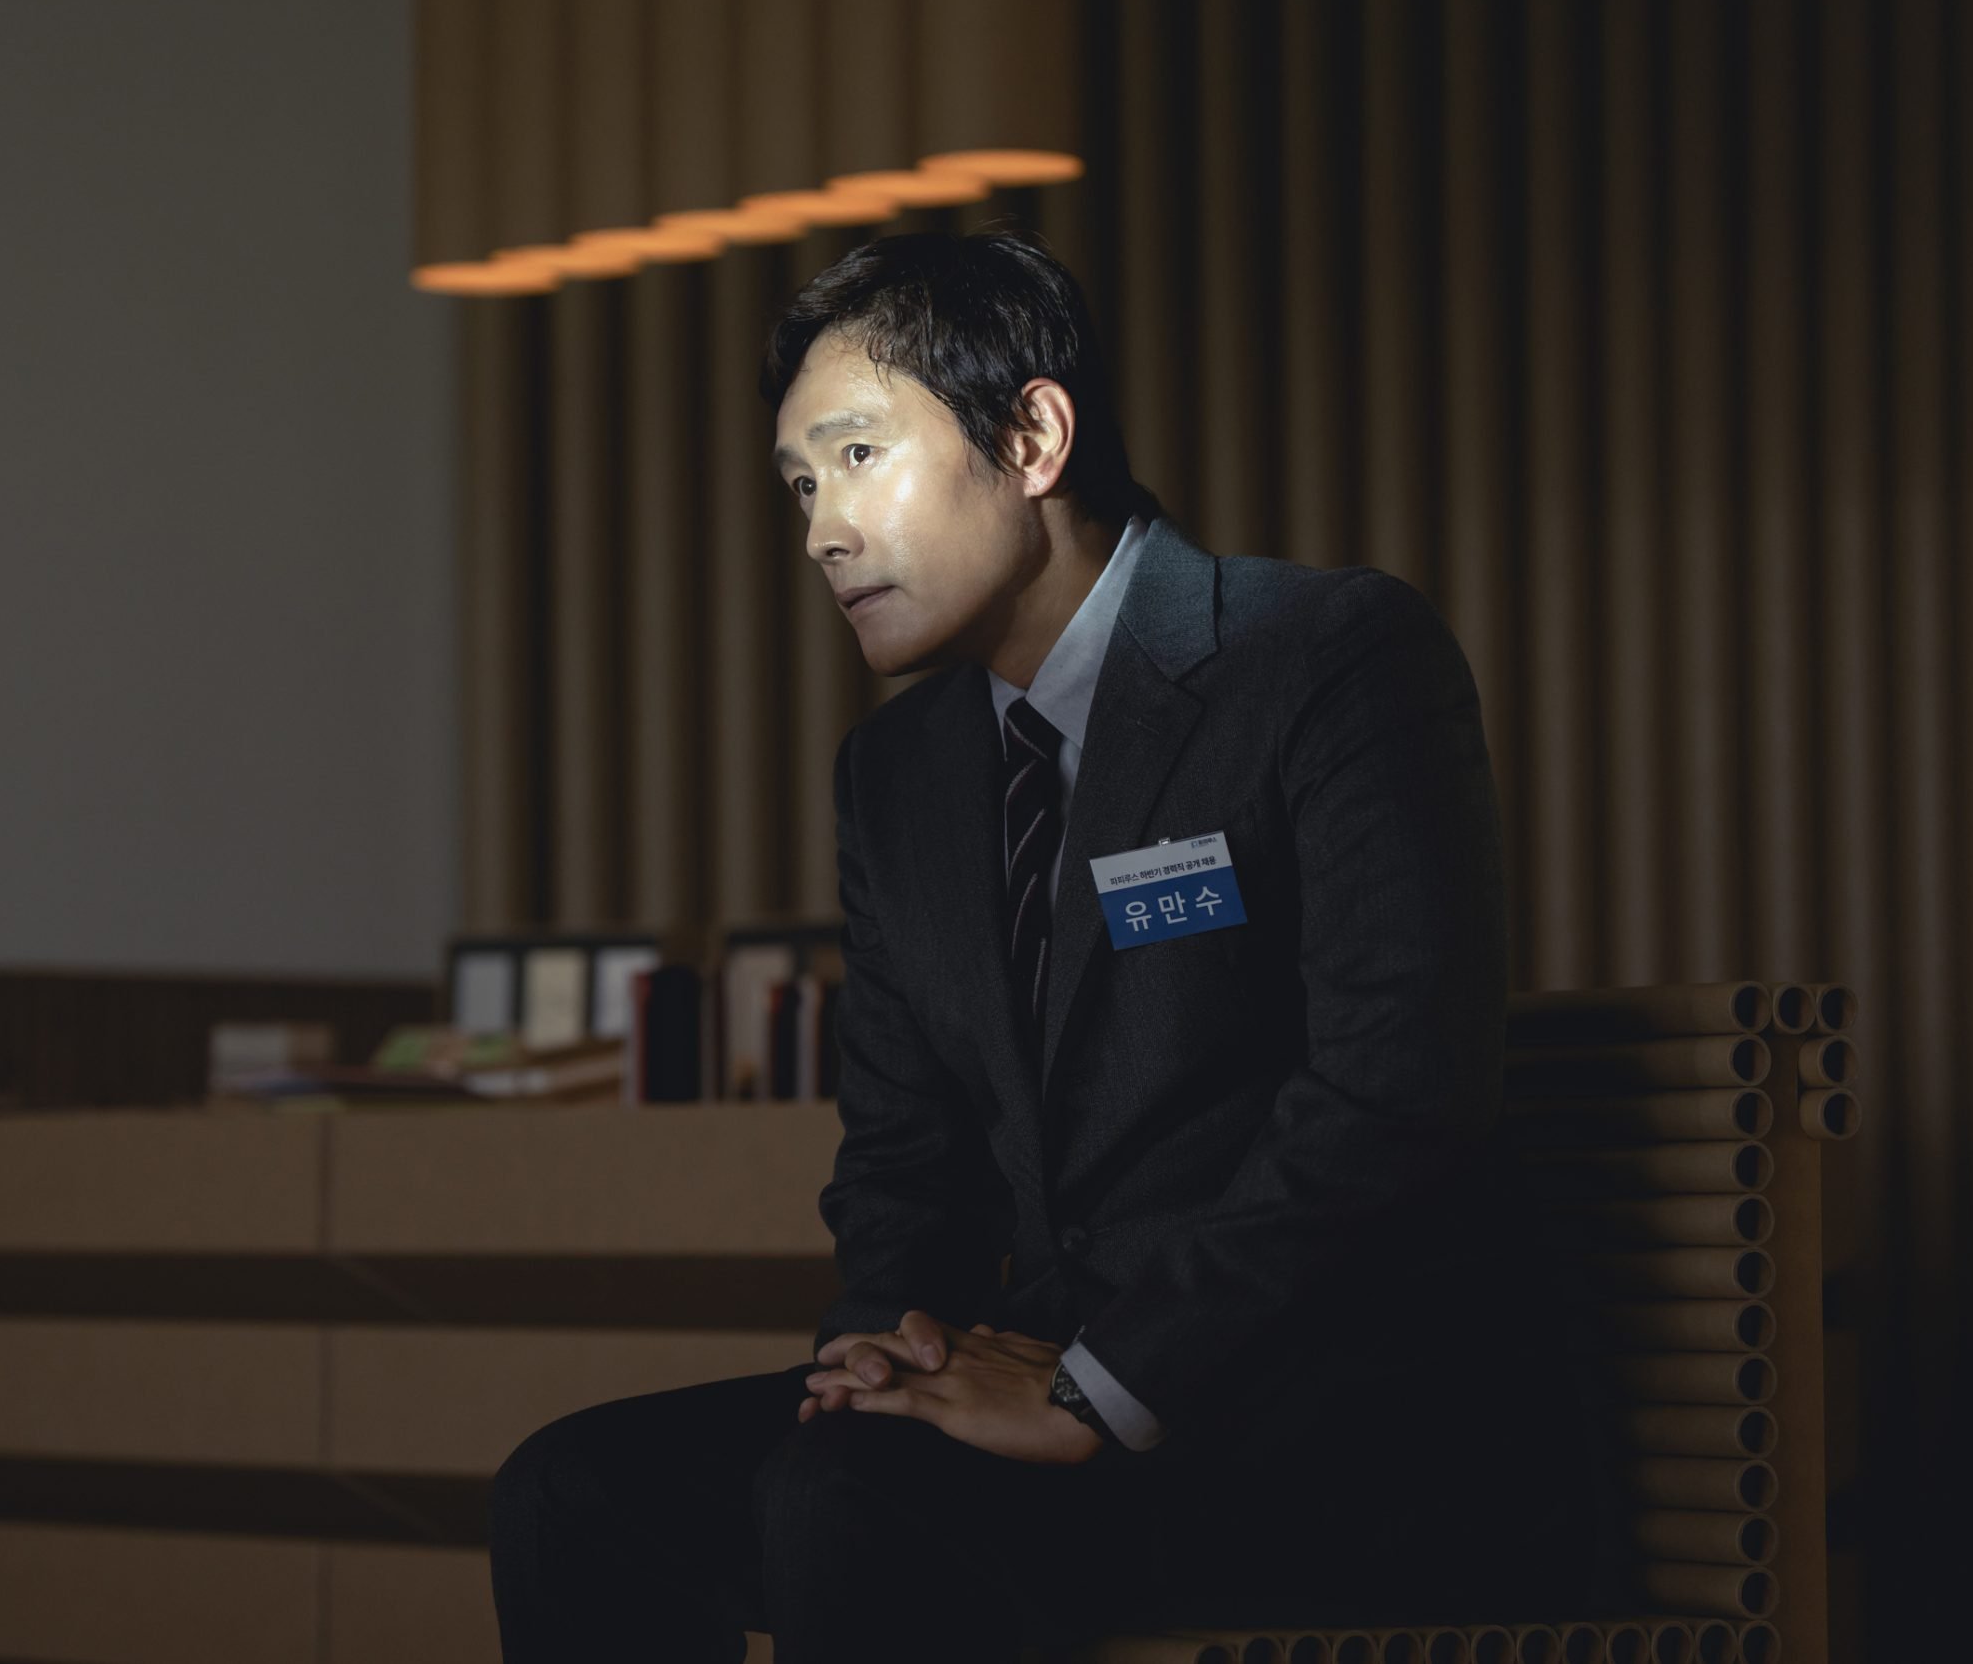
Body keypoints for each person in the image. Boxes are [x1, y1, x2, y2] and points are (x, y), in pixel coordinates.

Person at [488, 230, 1606, 1662]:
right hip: (1044, 1386)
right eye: (800, 485)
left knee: (841, 1505)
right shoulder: (897, 779)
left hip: (1331, 1414)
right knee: (575, 1492)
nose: (822, 527)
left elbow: (1397, 1094)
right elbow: (905, 1154)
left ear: (1031, 434)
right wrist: (877, 1353)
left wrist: (1099, 1386)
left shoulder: (1324, 653)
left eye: (857, 456)